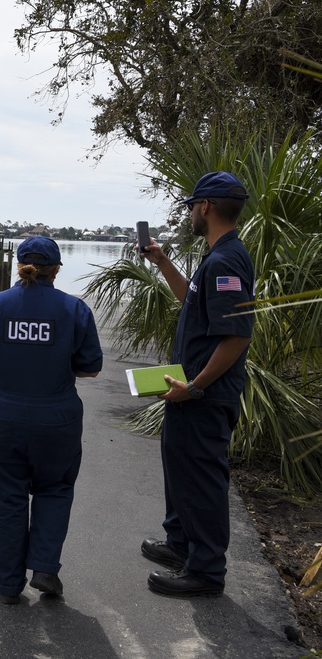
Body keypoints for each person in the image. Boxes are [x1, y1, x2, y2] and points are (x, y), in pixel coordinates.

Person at [0, 236, 103, 604]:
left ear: (19, 264)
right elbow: (90, 369)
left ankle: (7, 584)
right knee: (54, 489)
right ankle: (44, 567)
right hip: (57, 419)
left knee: (7, 498)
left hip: (4, 418)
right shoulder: (75, 309)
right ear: (56, 269)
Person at [139, 171, 254, 598]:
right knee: (179, 463)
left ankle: (206, 571)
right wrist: (163, 262)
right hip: (189, 390)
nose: (189, 212)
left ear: (205, 206)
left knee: (202, 476)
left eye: (191, 205)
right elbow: (192, 300)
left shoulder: (225, 260)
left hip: (204, 394)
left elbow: (238, 334)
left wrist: (197, 387)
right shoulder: (219, 254)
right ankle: (181, 544)